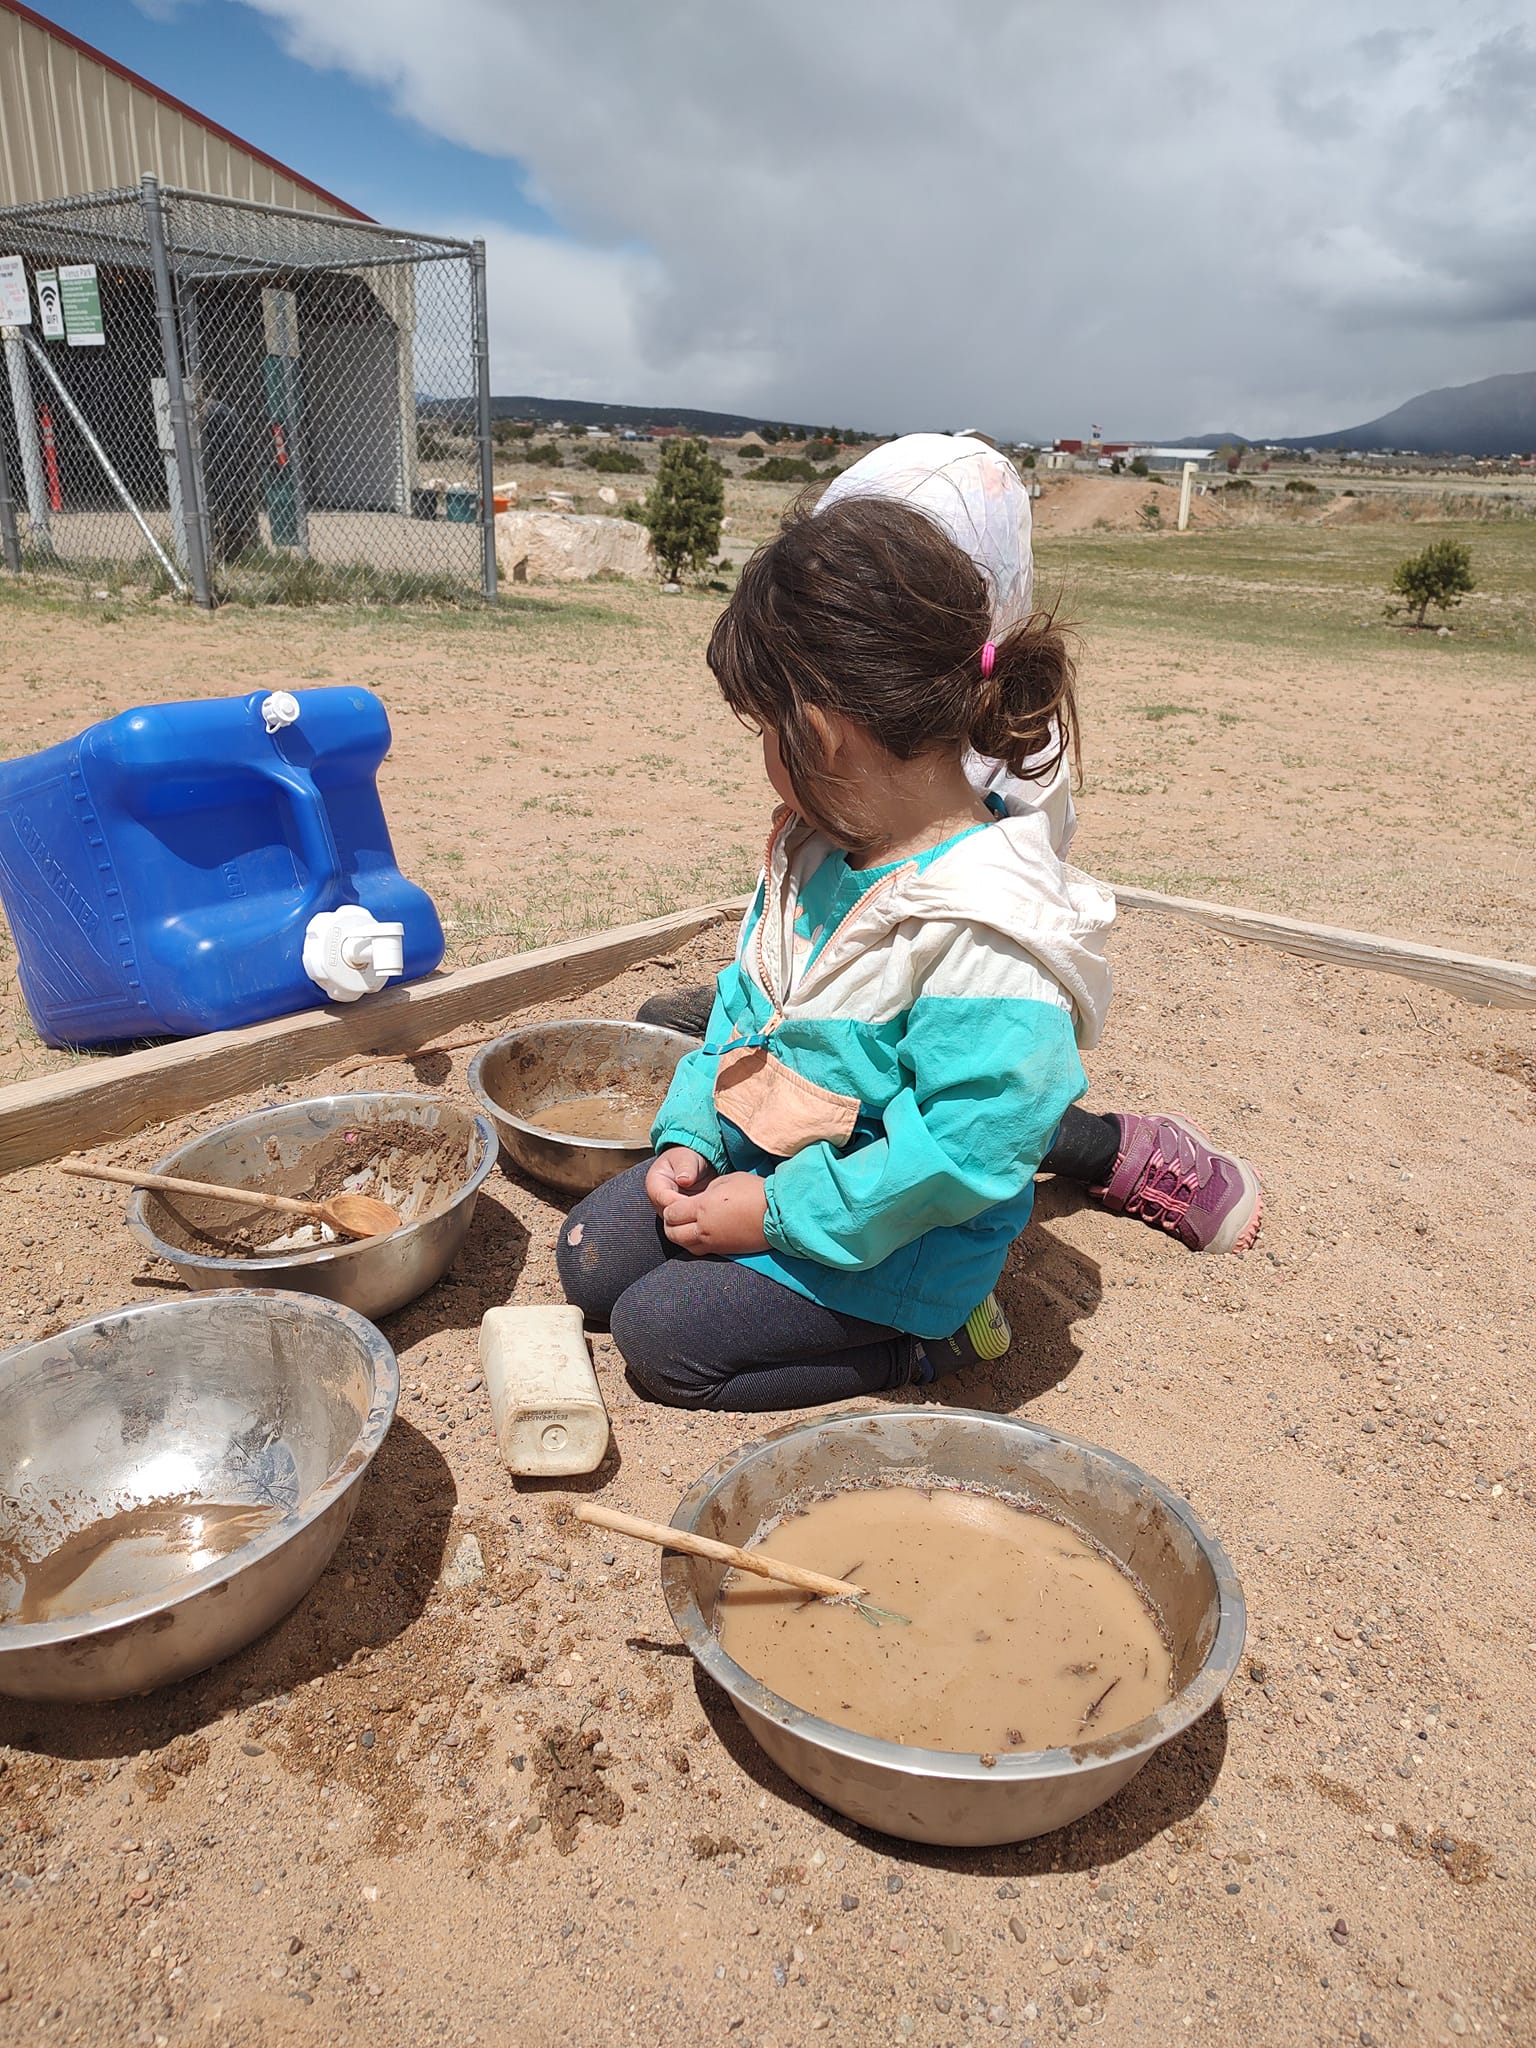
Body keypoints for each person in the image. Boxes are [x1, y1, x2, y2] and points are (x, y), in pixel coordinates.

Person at [557, 483, 1253, 1415]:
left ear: (824, 734)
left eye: (767, 729)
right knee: (589, 1261)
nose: (764, 752)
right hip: (777, 1166)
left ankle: (931, 1345)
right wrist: (691, 1134)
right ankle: (757, 1231)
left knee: (662, 1344)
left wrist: (775, 1217)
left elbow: (966, 1156)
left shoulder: (983, 928)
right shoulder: (814, 845)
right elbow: (745, 1002)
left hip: (890, 1236)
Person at [637, 434, 1260, 1258]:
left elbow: (973, 1097)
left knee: (987, 1093)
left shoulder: (1000, 808)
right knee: (684, 1026)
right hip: (865, 998)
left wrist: (784, 1202)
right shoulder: (858, 787)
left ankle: (1111, 1150)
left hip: (940, 1038)